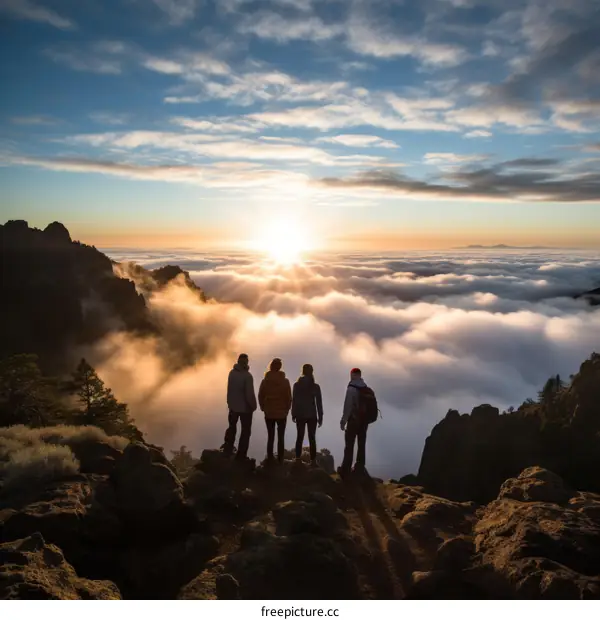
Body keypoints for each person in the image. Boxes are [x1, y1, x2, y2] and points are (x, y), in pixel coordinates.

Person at [222, 353, 257, 460]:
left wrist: (229, 403)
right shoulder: (247, 376)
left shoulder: (231, 373)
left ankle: (228, 448)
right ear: (246, 362)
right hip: (245, 409)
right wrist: (253, 406)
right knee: (245, 431)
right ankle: (241, 454)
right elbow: (249, 394)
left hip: (232, 406)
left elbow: (229, 389)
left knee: (232, 427)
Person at [258, 358, 292, 464]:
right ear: (280, 367)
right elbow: (289, 397)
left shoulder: (265, 381)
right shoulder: (285, 381)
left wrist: (263, 407)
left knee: (270, 436)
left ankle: (270, 458)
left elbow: (260, 395)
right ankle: (280, 459)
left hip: (269, 412)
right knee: (280, 437)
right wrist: (287, 409)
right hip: (282, 413)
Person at [339, 367, 370, 476]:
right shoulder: (365, 387)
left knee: (349, 444)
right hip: (364, 421)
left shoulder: (351, 388)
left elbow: (348, 406)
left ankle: (346, 468)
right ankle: (360, 466)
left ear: (352, 374)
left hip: (353, 420)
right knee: (361, 444)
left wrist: (343, 421)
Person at [291, 363, 323, 466]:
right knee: (312, 437)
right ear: (312, 372)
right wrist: (320, 416)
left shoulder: (297, 385)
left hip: (300, 414)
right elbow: (319, 402)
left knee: (299, 437)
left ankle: (298, 458)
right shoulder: (315, 386)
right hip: (312, 415)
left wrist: (293, 413)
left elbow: (294, 401)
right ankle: (313, 461)